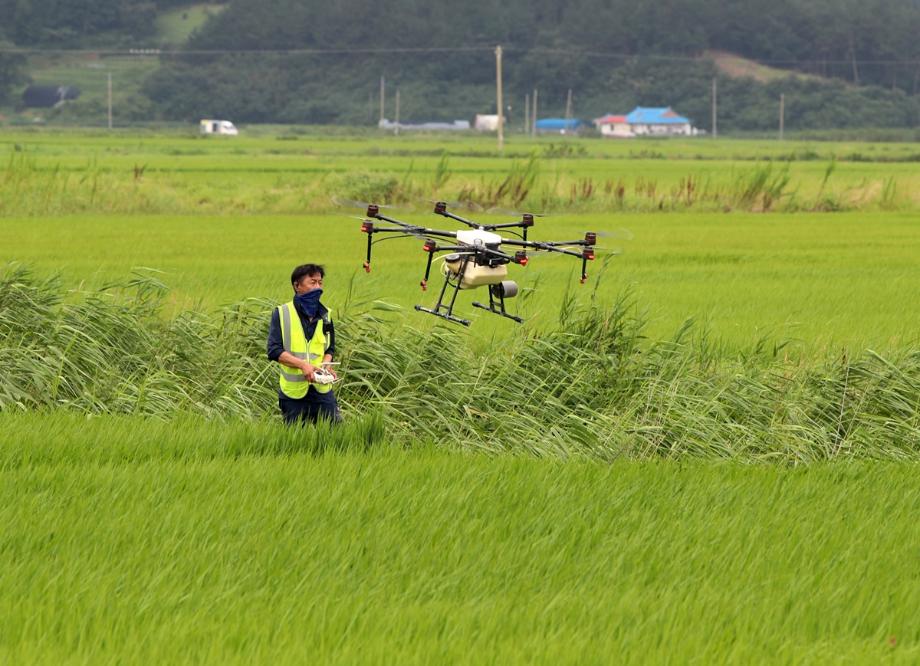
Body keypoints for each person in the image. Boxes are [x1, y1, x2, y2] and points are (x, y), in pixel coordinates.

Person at [267, 263, 341, 425]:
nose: (318, 287)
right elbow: (274, 350)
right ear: (297, 286)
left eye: (320, 283)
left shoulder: (326, 314)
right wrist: (302, 365)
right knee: (295, 443)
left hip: (322, 390)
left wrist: (327, 364)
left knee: (335, 438)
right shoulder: (282, 313)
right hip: (294, 394)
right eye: (312, 282)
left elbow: (330, 347)